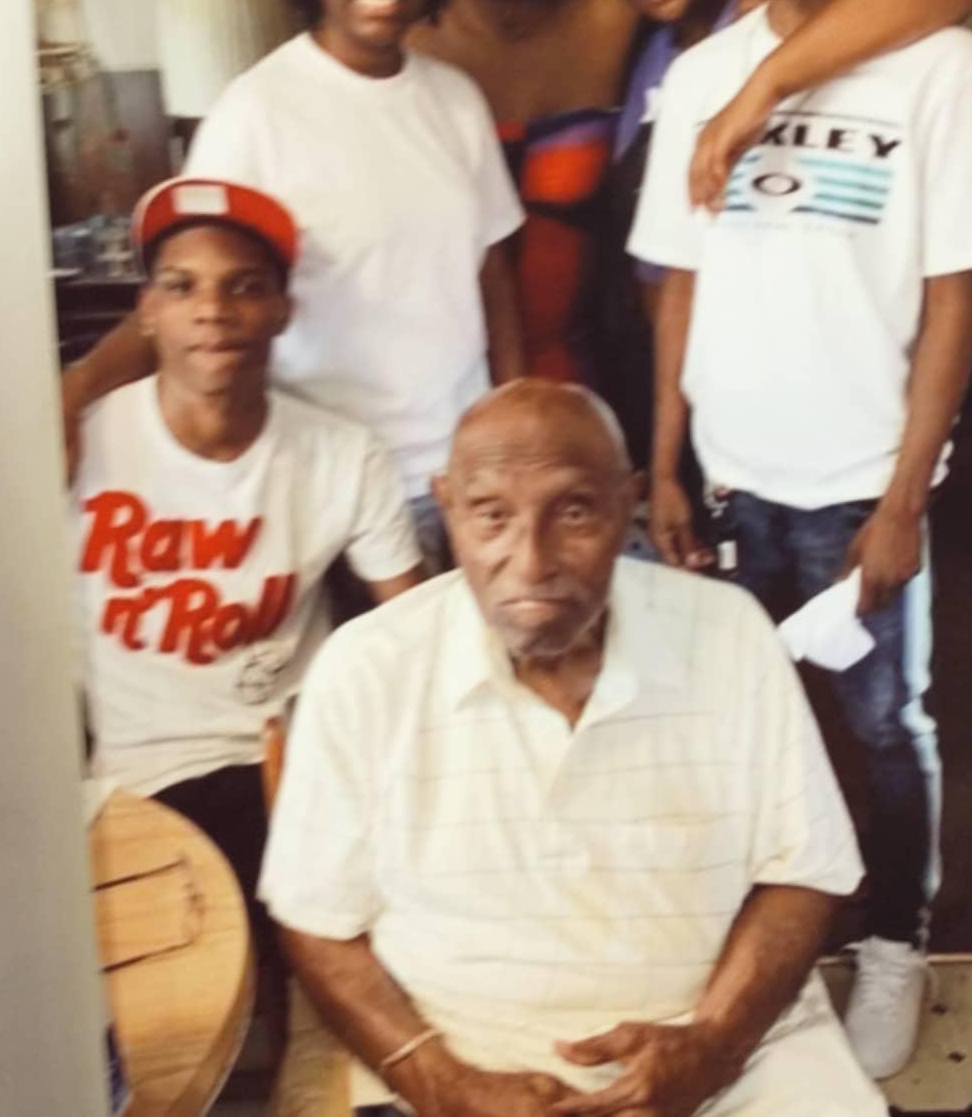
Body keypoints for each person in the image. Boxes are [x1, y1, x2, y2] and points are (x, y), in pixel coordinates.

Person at [627, 0, 972, 1080]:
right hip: (734, 486)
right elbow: (677, 286)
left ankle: (897, 941)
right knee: (749, 726)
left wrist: (906, 498)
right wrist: (666, 461)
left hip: (861, 489)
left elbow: (958, 295)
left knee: (886, 730)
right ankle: (773, 957)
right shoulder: (701, 75)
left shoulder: (945, 67)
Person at [259, 379, 885, 1117]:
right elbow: (313, 917)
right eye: (492, 515)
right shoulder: (367, 666)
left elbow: (806, 871)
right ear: (447, 507)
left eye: (575, 512)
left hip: (726, 1056)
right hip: (461, 1060)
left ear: (628, 506)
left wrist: (713, 1045)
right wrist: (441, 1082)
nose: (531, 562)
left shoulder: (730, 634)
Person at [413, 0, 972, 396]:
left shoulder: (694, 0)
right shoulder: (431, 32)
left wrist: (766, 85)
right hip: (493, 374)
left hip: (721, 376)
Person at [61, 0, 525, 567]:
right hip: (327, 486)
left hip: (462, 475)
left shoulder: (456, 102)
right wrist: (79, 387)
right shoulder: (254, 114)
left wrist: (512, 426)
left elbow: (493, 275)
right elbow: (184, 295)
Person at [558, 0, 972, 467]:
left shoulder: (801, 5)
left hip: (811, 429)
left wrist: (765, 86)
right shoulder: (652, 45)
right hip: (688, 406)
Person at [73, 175, 423, 976]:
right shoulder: (76, 446)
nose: (213, 310)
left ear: (282, 311)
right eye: (181, 286)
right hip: (141, 780)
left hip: (295, 768)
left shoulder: (342, 454)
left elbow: (410, 634)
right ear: (147, 312)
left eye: (244, 287)